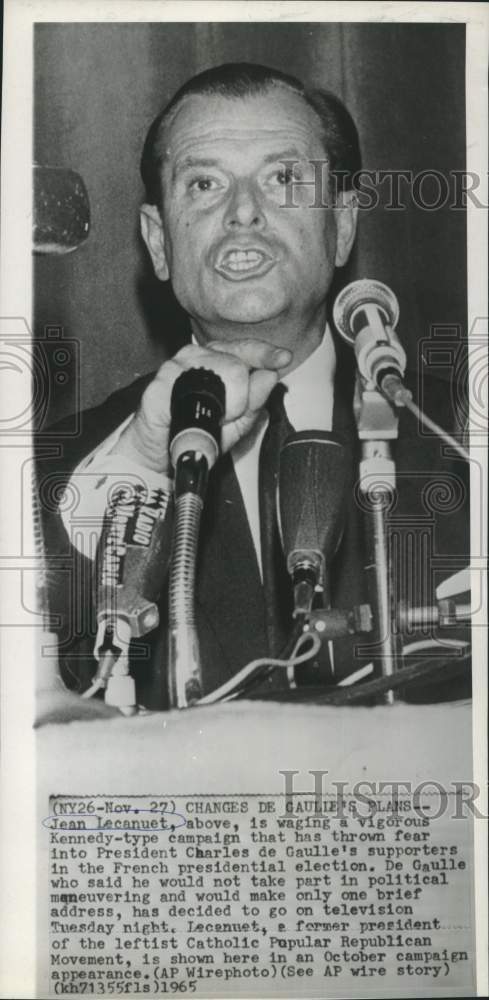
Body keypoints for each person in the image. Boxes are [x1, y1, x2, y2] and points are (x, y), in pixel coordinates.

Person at [38, 63, 470, 713]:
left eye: (283, 179)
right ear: (157, 242)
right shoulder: (62, 464)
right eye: (204, 183)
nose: (243, 213)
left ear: (342, 225)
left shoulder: (459, 432)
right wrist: (143, 461)